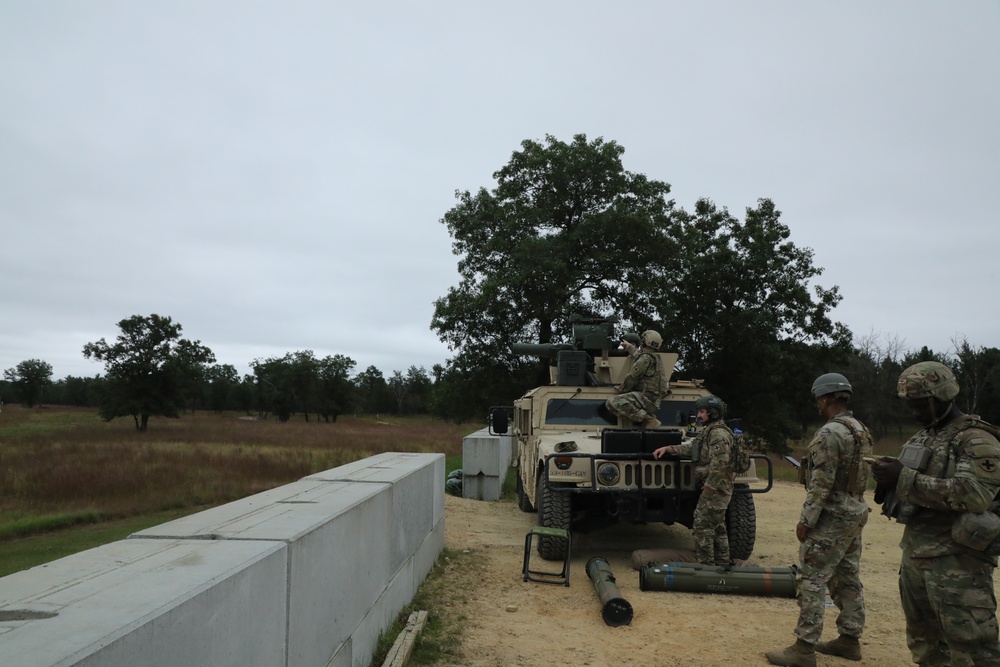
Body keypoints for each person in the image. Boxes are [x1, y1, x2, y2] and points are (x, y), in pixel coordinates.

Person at [872, 361, 1000, 666]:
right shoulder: (923, 438)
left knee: (973, 650)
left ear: (941, 397)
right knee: (926, 647)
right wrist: (886, 482)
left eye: (919, 404)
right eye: (910, 405)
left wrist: (902, 478)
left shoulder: (975, 440)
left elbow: (975, 494)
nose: (914, 412)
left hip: (959, 564)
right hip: (917, 556)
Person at [766, 373, 872, 667]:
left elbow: (822, 484)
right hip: (855, 509)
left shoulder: (829, 434)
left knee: (811, 579)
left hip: (832, 515)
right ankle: (850, 639)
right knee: (847, 575)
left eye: (818, 399)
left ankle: (804, 648)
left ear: (825, 398)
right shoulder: (859, 429)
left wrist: (806, 520)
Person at [653, 395, 735, 565]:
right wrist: (669, 449)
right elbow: (692, 448)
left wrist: (709, 489)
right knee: (717, 524)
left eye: (702, 412)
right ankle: (722, 561)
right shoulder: (709, 431)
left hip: (716, 488)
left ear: (713, 413)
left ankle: (706, 565)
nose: (698, 415)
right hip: (714, 486)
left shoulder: (718, 434)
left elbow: (720, 464)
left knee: (701, 524)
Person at [605, 330, 667, 430]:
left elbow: (632, 378)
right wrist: (629, 346)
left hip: (646, 398)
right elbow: (639, 355)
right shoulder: (655, 357)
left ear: (644, 341)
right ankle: (647, 418)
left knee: (612, 402)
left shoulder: (645, 359)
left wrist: (622, 388)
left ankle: (647, 419)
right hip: (654, 399)